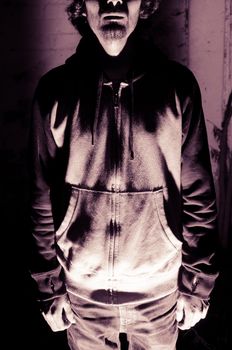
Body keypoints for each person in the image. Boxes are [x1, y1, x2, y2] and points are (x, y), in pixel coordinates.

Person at [29, 0, 219, 349]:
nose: (111, 1)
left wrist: (196, 283)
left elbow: (199, 195)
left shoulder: (178, 87)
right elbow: (41, 199)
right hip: (81, 300)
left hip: (158, 298)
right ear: (80, 5)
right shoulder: (54, 91)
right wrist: (48, 286)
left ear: (143, 4)